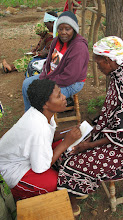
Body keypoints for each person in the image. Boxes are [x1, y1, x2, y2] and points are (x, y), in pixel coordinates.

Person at [56, 36, 123, 215]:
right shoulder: (122, 71)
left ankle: (73, 205)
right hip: (116, 133)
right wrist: (95, 125)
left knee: (72, 161)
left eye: (98, 61)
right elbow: (116, 112)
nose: (97, 66)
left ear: (108, 60)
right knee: (71, 147)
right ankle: (79, 189)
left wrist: (90, 144)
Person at [0, 79, 82, 211]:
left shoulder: (40, 113)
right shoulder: (38, 128)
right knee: (55, 183)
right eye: (58, 96)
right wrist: (66, 141)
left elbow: (52, 135)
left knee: (62, 144)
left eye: (61, 93)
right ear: (46, 104)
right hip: (12, 170)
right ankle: (21, 192)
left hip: (21, 156)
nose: (64, 97)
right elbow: (41, 168)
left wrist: (70, 130)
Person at [22, 11, 89, 112]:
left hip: (71, 83)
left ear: (74, 29)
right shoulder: (56, 41)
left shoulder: (79, 47)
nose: (63, 32)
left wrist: (47, 82)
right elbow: (48, 63)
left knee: (40, 96)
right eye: (60, 28)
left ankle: (42, 122)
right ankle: (29, 116)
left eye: (67, 29)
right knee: (26, 84)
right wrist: (45, 75)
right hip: (52, 76)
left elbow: (70, 76)